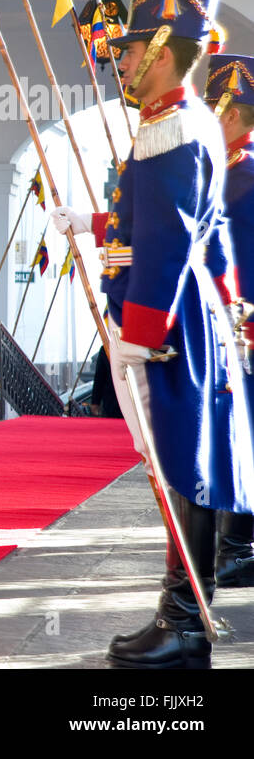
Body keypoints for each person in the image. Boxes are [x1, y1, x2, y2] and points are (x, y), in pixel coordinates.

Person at [52, 0, 247, 667]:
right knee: (176, 462)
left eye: (131, 49)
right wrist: (92, 225)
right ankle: (179, 613)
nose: (122, 62)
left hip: (170, 322)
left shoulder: (173, 126)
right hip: (172, 317)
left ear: (162, 51)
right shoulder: (172, 120)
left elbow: (166, 241)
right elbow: (147, 226)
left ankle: (185, 623)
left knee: (183, 465)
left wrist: (139, 332)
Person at [204, 48, 254, 588]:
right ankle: (235, 545)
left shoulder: (246, 177)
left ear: (235, 114)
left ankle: (238, 548)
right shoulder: (227, 173)